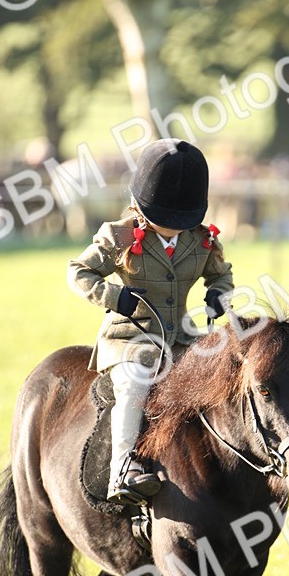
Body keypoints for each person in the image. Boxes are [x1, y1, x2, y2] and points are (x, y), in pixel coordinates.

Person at [68, 139, 234, 505]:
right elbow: (78, 271)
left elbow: (222, 275)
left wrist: (218, 294)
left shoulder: (201, 240)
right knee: (134, 386)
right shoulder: (118, 236)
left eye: (180, 222)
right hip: (130, 338)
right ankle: (122, 469)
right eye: (165, 221)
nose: (173, 229)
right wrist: (115, 297)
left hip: (183, 339)